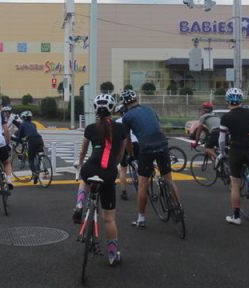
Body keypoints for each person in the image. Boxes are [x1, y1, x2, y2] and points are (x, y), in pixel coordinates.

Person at [72, 93, 127, 266]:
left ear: (95, 109)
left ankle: (80, 204)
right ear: (112, 109)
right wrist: (113, 167)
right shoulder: (121, 129)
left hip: (90, 168)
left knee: (84, 179)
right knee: (109, 218)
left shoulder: (90, 128)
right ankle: (112, 256)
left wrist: (79, 164)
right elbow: (120, 154)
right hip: (108, 173)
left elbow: (82, 152)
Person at [119, 89, 180, 230]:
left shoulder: (126, 117)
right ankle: (179, 208)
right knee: (169, 179)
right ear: (136, 99)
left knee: (142, 185)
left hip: (146, 149)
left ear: (124, 103)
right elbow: (156, 125)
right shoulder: (149, 109)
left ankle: (141, 219)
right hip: (162, 144)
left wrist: (131, 154)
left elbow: (127, 140)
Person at [218, 87, 249, 226]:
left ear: (228, 100)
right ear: (241, 100)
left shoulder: (226, 117)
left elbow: (222, 140)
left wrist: (222, 153)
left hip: (235, 151)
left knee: (235, 183)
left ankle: (236, 216)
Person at [115, 104, 139, 201]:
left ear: (120, 113)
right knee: (138, 167)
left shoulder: (117, 122)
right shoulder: (133, 119)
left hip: (123, 145)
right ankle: (141, 189)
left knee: (123, 170)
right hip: (136, 143)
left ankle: (124, 192)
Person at [16, 110, 45, 181]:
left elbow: (20, 136)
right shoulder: (34, 124)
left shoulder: (22, 124)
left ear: (24, 118)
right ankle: (38, 171)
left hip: (32, 141)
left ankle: (35, 173)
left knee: (31, 159)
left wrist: (18, 142)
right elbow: (32, 132)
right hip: (40, 139)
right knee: (39, 156)